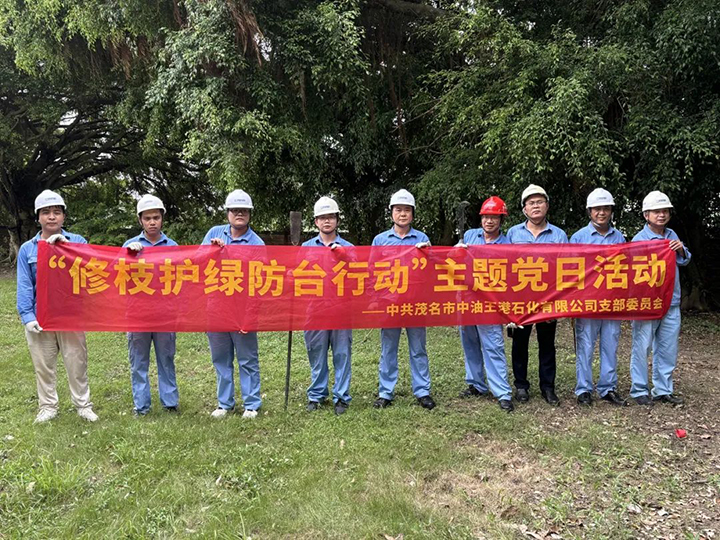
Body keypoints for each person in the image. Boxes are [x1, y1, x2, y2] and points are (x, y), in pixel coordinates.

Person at [16, 190, 99, 423]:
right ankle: (48, 407)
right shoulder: (28, 249)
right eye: (46, 212)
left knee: (77, 362)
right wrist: (27, 316)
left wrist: (67, 249)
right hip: (41, 316)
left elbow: (93, 269)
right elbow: (24, 284)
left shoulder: (78, 241)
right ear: (38, 217)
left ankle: (83, 405)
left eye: (56, 212)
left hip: (71, 315)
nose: (51, 217)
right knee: (43, 365)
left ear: (63, 216)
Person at [202, 189, 264, 419]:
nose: (239, 214)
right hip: (216, 309)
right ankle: (224, 404)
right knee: (221, 359)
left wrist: (251, 315)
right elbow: (197, 263)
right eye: (235, 210)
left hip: (242, 310)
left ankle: (252, 404)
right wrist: (212, 251)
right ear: (227, 213)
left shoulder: (257, 243)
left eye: (244, 211)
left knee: (247, 359)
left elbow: (260, 282)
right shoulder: (214, 234)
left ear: (250, 214)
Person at [371, 189, 435, 410]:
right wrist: (377, 299)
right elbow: (372, 271)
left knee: (418, 348)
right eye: (398, 210)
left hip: (415, 303)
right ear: (391, 213)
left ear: (413, 213)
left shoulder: (422, 239)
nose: (403, 214)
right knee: (388, 349)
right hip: (390, 303)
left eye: (407, 210)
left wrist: (428, 253)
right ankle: (385, 392)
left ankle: (423, 391)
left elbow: (432, 271)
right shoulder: (380, 240)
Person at [506, 184, 568, 406]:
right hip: (521, 298)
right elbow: (504, 266)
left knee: (547, 344)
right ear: (524, 209)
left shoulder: (558, 235)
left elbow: (566, 269)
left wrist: (559, 302)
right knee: (519, 344)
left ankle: (548, 387)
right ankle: (521, 386)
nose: (535, 206)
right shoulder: (513, 233)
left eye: (539, 202)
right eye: (531, 203)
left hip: (549, 298)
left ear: (547, 206)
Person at [629, 191, 691, 406]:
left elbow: (684, 260)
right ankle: (639, 390)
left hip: (671, 301)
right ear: (646, 215)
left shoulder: (672, 235)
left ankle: (663, 390)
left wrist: (681, 249)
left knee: (667, 348)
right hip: (647, 303)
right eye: (656, 211)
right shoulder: (639, 240)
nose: (661, 215)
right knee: (642, 346)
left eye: (665, 211)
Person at [123, 195, 180, 416]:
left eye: (156, 217)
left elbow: (183, 278)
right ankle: (141, 406)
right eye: (147, 218)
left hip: (165, 313)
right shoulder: (129, 246)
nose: (152, 222)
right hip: (137, 314)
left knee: (166, 359)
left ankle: (170, 402)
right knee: (138, 361)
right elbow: (116, 276)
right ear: (140, 220)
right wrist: (128, 257)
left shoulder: (173, 247)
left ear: (162, 218)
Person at [456, 196, 514, 412]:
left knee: (493, 346)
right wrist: (456, 250)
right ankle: (476, 384)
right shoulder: (470, 236)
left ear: (501, 220)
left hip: (491, 302)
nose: (489, 221)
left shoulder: (507, 244)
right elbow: (453, 261)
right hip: (467, 300)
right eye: (486, 217)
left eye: (494, 217)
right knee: (469, 343)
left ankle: (502, 392)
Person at [569, 188, 626, 407]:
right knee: (585, 346)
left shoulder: (619, 237)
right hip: (587, 302)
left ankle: (607, 388)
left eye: (605, 209)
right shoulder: (578, 237)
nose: (601, 213)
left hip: (612, 302)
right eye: (596, 209)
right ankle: (583, 389)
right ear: (589, 211)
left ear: (611, 211)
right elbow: (570, 271)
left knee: (610, 345)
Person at [302, 196, 353, 415]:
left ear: (337, 220)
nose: (326, 221)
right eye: (322, 217)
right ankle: (317, 394)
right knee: (316, 353)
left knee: (342, 354)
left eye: (330, 217)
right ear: (316, 221)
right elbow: (297, 275)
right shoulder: (305, 248)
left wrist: (346, 257)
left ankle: (341, 397)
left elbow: (360, 275)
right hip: (314, 309)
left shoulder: (349, 247)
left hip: (341, 309)